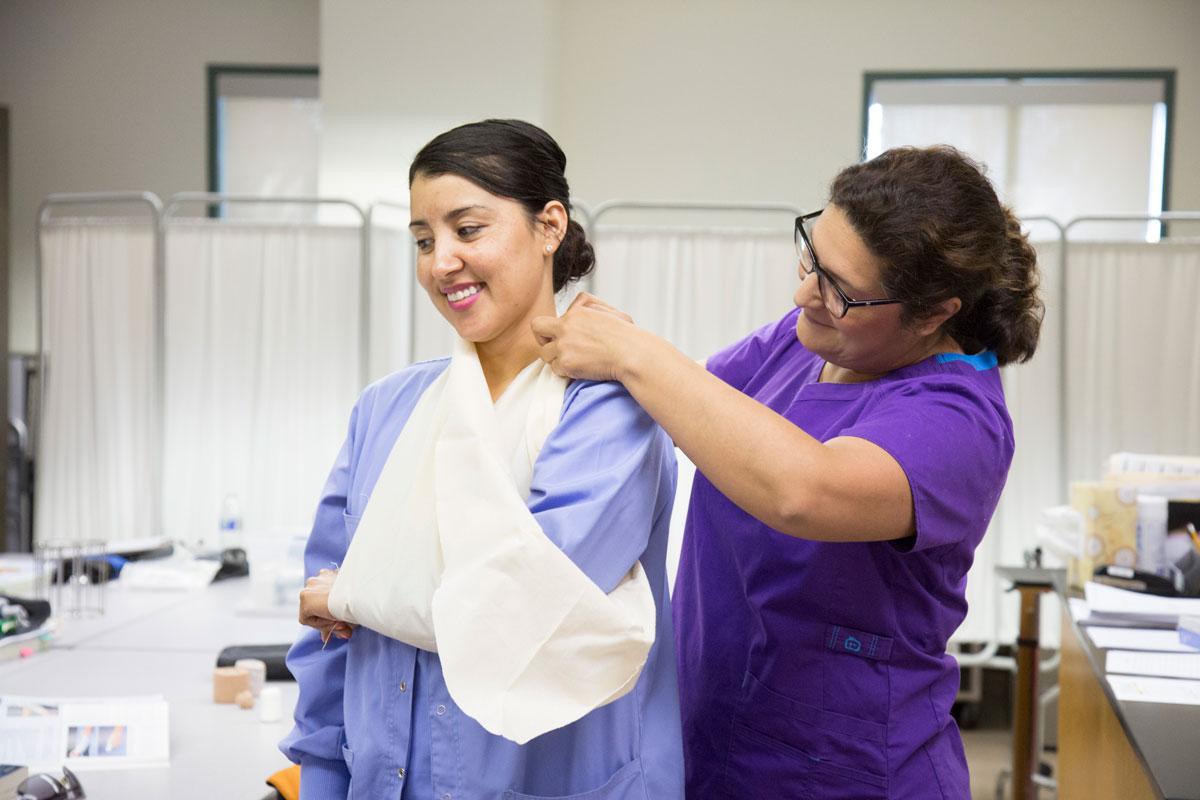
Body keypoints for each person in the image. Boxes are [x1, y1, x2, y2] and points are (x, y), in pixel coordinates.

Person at [533, 145, 1043, 799]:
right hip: (716, 740)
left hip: (849, 770)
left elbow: (804, 491)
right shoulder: (804, 337)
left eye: (842, 290)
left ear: (935, 312)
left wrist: (634, 354)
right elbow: (696, 411)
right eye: (812, 257)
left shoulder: (958, 419)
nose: (805, 293)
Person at [280, 120, 684, 799]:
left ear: (549, 225)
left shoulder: (609, 413)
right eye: (422, 240)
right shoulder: (388, 409)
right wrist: (323, 777)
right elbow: (327, 644)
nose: (441, 262)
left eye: (468, 230)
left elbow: (522, 613)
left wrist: (357, 596)